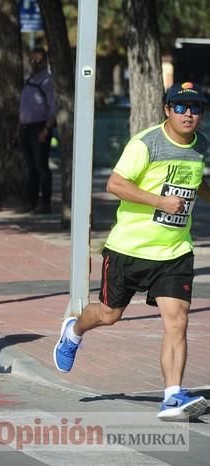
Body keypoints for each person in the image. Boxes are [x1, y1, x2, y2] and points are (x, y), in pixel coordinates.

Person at [54, 82, 209, 422]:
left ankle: (172, 396)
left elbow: (195, 182)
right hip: (129, 248)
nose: (188, 114)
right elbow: (115, 185)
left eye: (196, 108)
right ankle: (74, 331)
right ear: (167, 110)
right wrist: (160, 201)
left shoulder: (201, 146)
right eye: (181, 107)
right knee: (110, 314)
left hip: (175, 251)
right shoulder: (146, 143)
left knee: (177, 322)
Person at [18, 47, 56, 214]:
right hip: (25, 127)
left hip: (39, 128)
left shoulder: (47, 81)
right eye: (31, 60)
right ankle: (30, 201)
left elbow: (53, 107)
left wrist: (46, 129)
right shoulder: (29, 80)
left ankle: (45, 203)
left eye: (37, 60)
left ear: (45, 61)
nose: (34, 64)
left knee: (41, 166)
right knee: (30, 166)